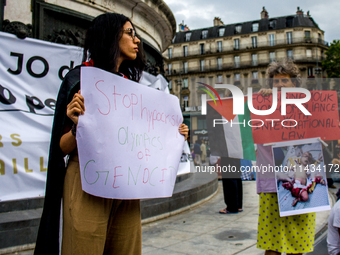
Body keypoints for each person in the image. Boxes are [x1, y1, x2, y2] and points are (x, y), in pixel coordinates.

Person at [34, 13, 189, 255]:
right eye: (130, 33)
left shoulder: (132, 89)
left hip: (125, 186)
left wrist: (174, 135)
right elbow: (61, 147)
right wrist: (77, 126)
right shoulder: (79, 79)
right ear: (110, 36)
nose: (137, 40)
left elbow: (142, 140)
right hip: (87, 181)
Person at [256, 60, 315, 255]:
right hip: (272, 183)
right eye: (275, 82)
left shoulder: (309, 106)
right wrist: (262, 101)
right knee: (272, 244)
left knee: (297, 244)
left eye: (284, 81)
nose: (280, 85)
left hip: (300, 181)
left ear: (295, 84)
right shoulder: (262, 106)